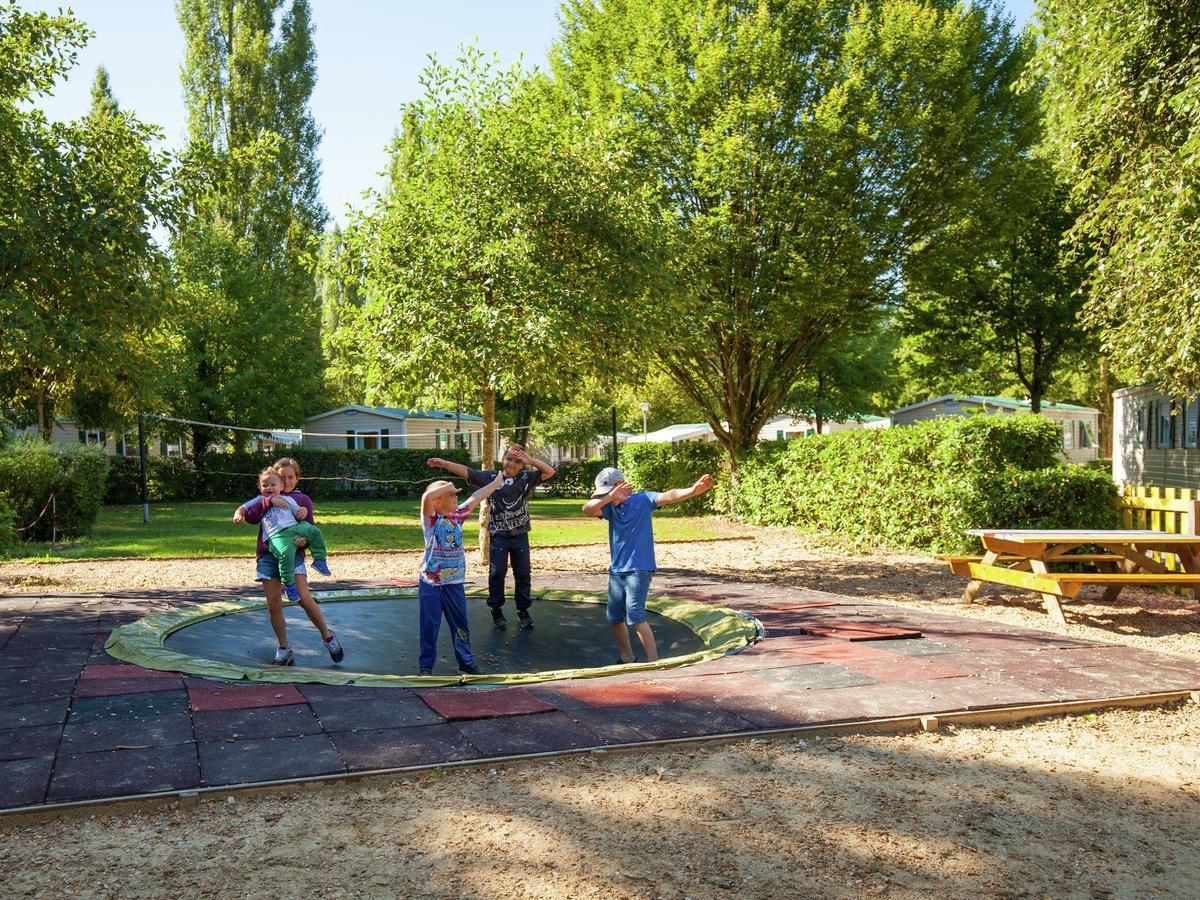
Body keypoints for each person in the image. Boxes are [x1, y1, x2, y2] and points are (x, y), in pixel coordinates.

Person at [582, 466, 713, 664]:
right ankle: (627, 657)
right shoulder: (610, 507)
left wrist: (693, 490)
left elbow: (669, 495)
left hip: (639, 568)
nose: (605, 497)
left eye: (608, 492)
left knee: (635, 616)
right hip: (617, 570)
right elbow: (587, 509)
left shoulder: (642, 500)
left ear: (620, 485)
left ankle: (654, 662)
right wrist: (610, 497)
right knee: (614, 617)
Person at [427, 444, 555, 630]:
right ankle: (496, 608)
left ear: (522, 465)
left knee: (523, 573)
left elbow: (550, 471)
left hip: (520, 535)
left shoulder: (527, 477)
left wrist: (531, 461)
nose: (511, 463)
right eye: (508, 459)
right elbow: (468, 472)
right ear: (503, 459)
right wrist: (444, 463)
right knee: (497, 573)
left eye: (517, 461)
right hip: (499, 535)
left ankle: (523, 610)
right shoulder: (492, 478)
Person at [234, 459, 343, 666]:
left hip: (293, 554)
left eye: (290, 477)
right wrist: (269, 502)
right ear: (273, 480)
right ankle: (284, 647)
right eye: (281, 477)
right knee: (274, 604)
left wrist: (303, 542)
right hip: (268, 556)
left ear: (297, 478)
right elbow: (252, 516)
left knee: (303, 598)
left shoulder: (302, 499)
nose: (286, 481)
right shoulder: (265, 497)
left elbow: (308, 529)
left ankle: (327, 635)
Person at [417, 470, 505, 676]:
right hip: (430, 583)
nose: (456, 497)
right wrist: (447, 485)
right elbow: (425, 498)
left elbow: (476, 497)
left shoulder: (458, 516)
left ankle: (466, 662)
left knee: (460, 624)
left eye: (456, 494)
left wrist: (496, 482)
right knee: (429, 625)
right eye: (451, 495)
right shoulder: (430, 520)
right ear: (437, 502)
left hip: (454, 583)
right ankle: (426, 666)